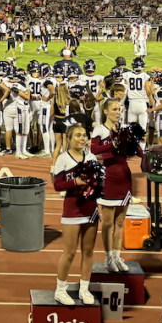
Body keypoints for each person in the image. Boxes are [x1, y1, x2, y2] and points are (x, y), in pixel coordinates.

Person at [51, 123, 100, 306]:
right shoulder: (63, 159)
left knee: (88, 251)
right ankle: (60, 290)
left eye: (84, 135)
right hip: (72, 210)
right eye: (78, 135)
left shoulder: (92, 156)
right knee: (70, 252)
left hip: (91, 209)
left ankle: (84, 289)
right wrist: (76, 182)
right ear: (69, 139)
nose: (82, 138)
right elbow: (57, 185)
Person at [92, 99, 140, 273]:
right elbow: (93, 149)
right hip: (108, 177)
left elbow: (137, 150)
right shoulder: (100, 130)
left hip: (124, 177)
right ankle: (108, 257)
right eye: (114, 109)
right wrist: (112, 144)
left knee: (120, 222)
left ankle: (117, 255)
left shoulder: (125, 129)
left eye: (119, 109)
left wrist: (146, 153)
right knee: (108, 222)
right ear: (105, 111)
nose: (118, 112)